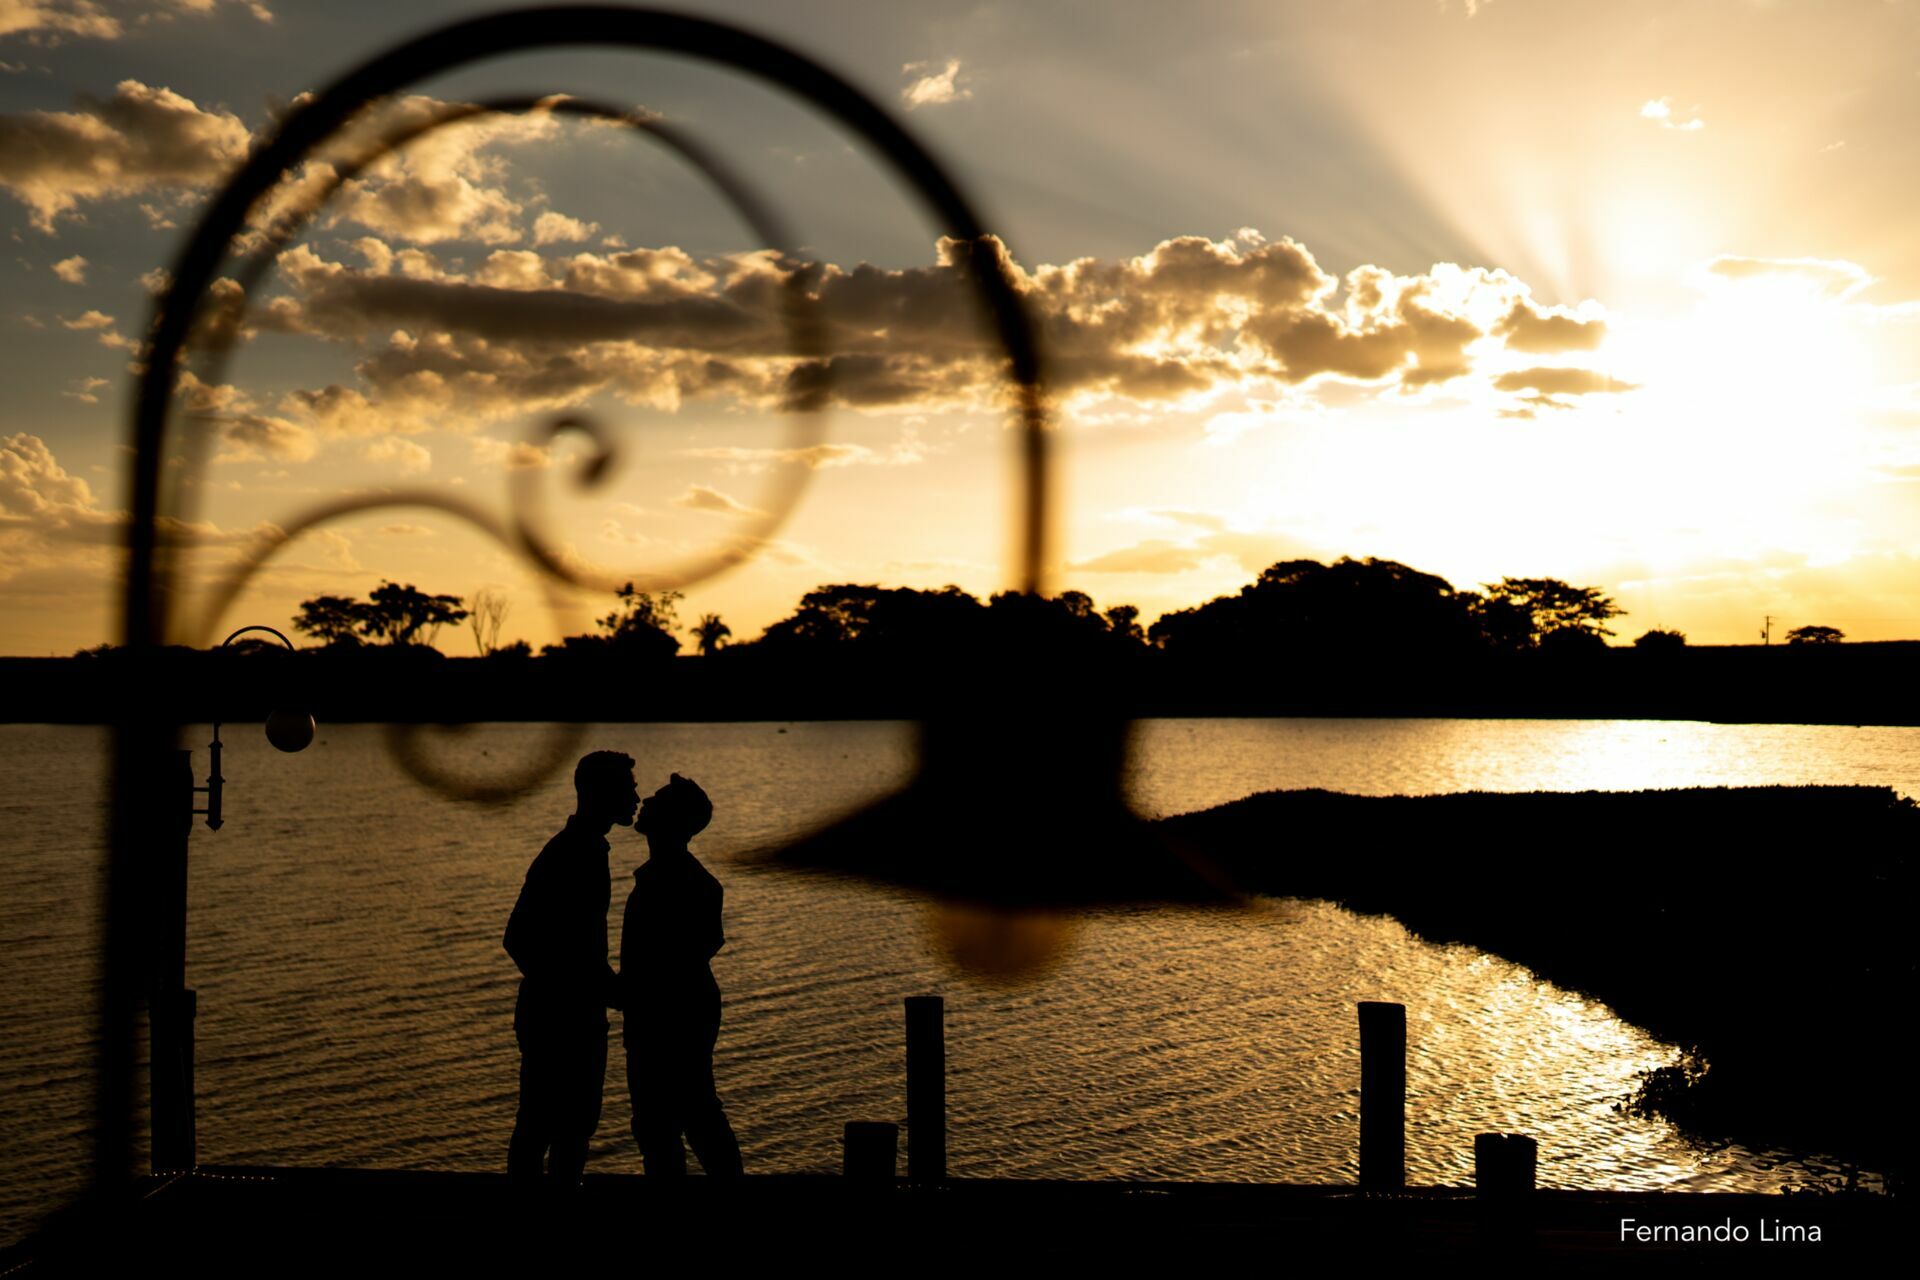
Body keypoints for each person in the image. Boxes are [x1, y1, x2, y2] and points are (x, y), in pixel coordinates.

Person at [504, 750, 636, 1185]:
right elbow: (519, 938)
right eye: (627, 788)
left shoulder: (587, 849)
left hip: (570, 1012)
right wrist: (581, 990)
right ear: (600, 793)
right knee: (548, 1127)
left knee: (569, 1129)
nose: (635, 795)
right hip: (560, 1019)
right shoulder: (572, 853)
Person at [621, 773, 743, 1177]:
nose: (646, 803)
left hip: (673, 1013)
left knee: (685, 1114)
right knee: (672, 1118)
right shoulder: (675, 878)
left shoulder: (688, 882)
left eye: (656, 799)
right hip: (671, 1008)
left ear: (672, 819)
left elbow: (687, 954)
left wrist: (634, 995)